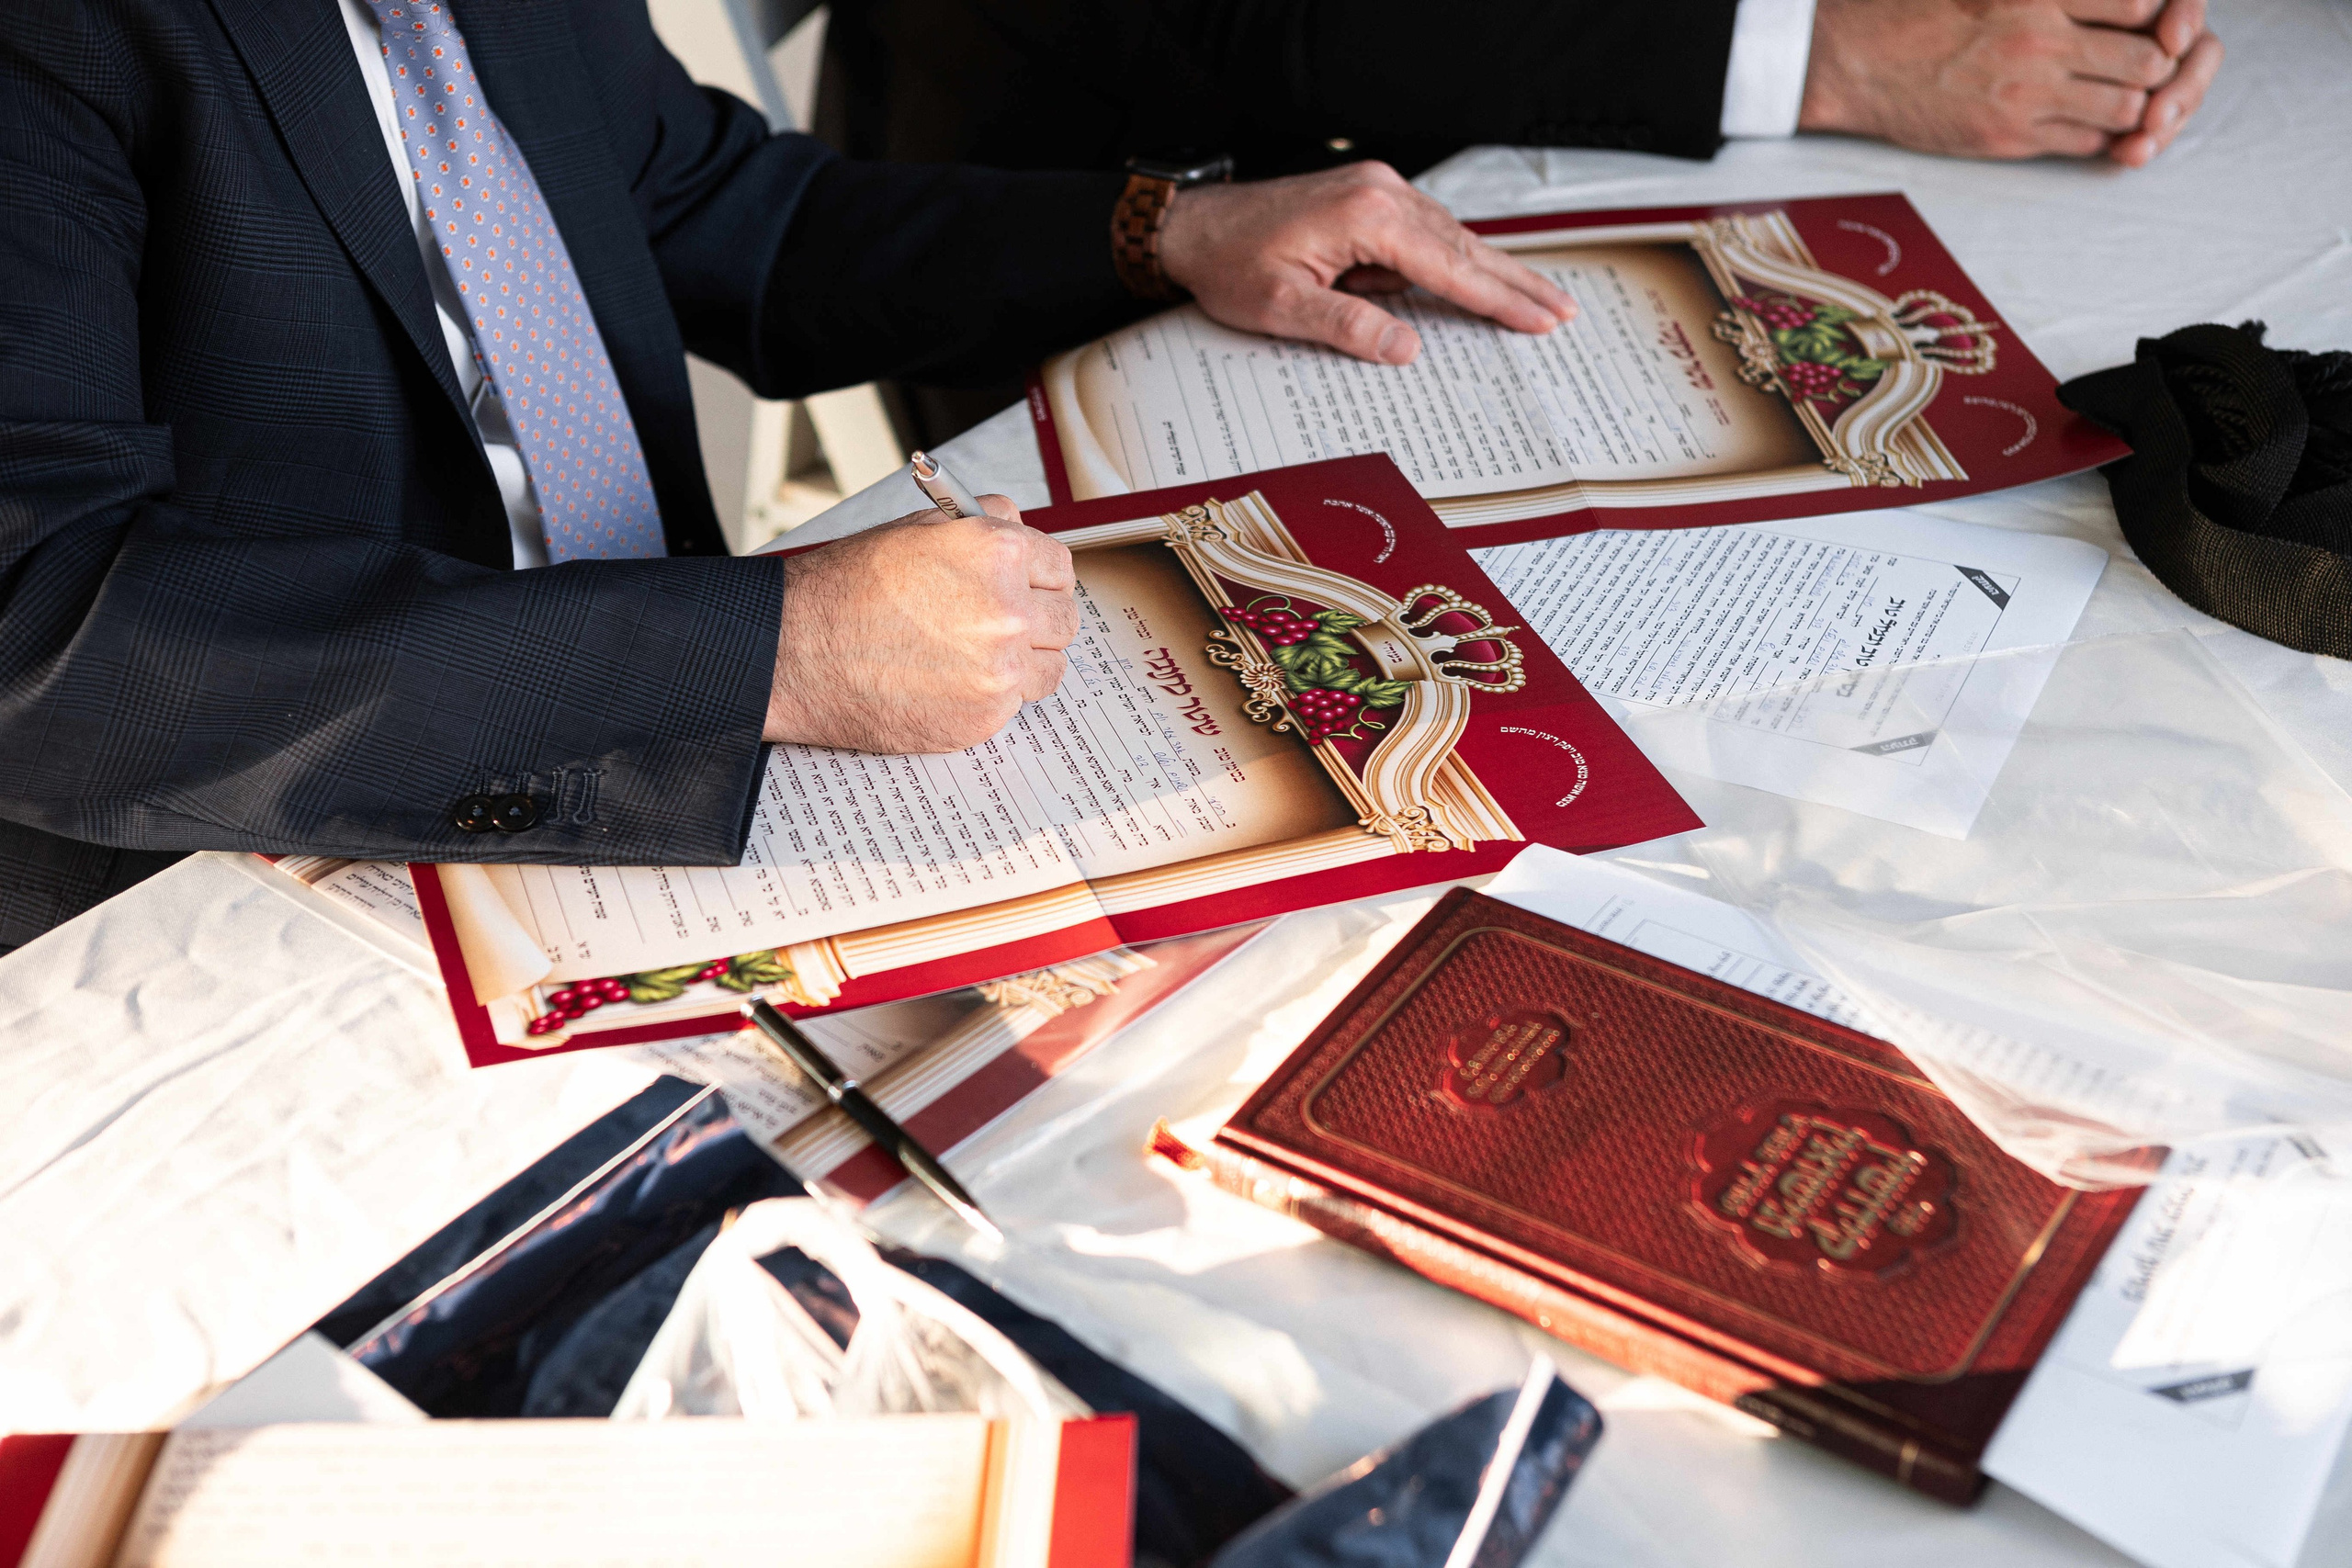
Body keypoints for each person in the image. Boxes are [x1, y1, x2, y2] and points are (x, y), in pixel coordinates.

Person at [0, 0, 1574, 950]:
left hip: (682, 779)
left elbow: (711, 205)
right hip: (252, 875)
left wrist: (1161, 230)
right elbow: (46, 632)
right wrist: (768, 651)